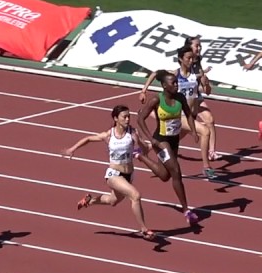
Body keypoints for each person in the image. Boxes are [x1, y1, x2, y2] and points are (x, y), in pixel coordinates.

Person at [64, 105, 169, 240]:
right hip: (114, 174)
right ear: (116, 119)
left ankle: (89, 201)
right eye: (124, 117)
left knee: (112, 201)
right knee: (135, 196)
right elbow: (89, 139)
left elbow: (144, 148)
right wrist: (72, 149)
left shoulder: (133, 132)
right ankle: (144, 229)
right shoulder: (109, 135)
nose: (127, 119)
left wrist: (142, 144)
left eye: (129, 116)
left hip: (128, 175)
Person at [141, 40, 219, 179]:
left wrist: (206, 85)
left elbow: (207, 92)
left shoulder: (196, 75)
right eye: (188, 58)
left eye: (192, 58)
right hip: (179, 115)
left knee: (174, 141)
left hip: (190, 115)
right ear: (180, 59)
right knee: (205, 131)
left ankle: (146, 149)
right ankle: (206, 167)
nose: (191, 61)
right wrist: (144, 90)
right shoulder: (173, 75)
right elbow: (155, 73)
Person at [136, 70, 199, 224]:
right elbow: (140, 119)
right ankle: (187, 211)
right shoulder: (156, 100)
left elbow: (189, 114)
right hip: (160, 140)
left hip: (174, 140)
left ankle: (140, 156)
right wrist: (151, 140)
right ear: (164, 85)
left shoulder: (180, 97)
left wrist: (193, 131)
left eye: (177, 82)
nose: (177, 85)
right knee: (176, 170)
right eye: (173, 83)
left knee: (165, 176)